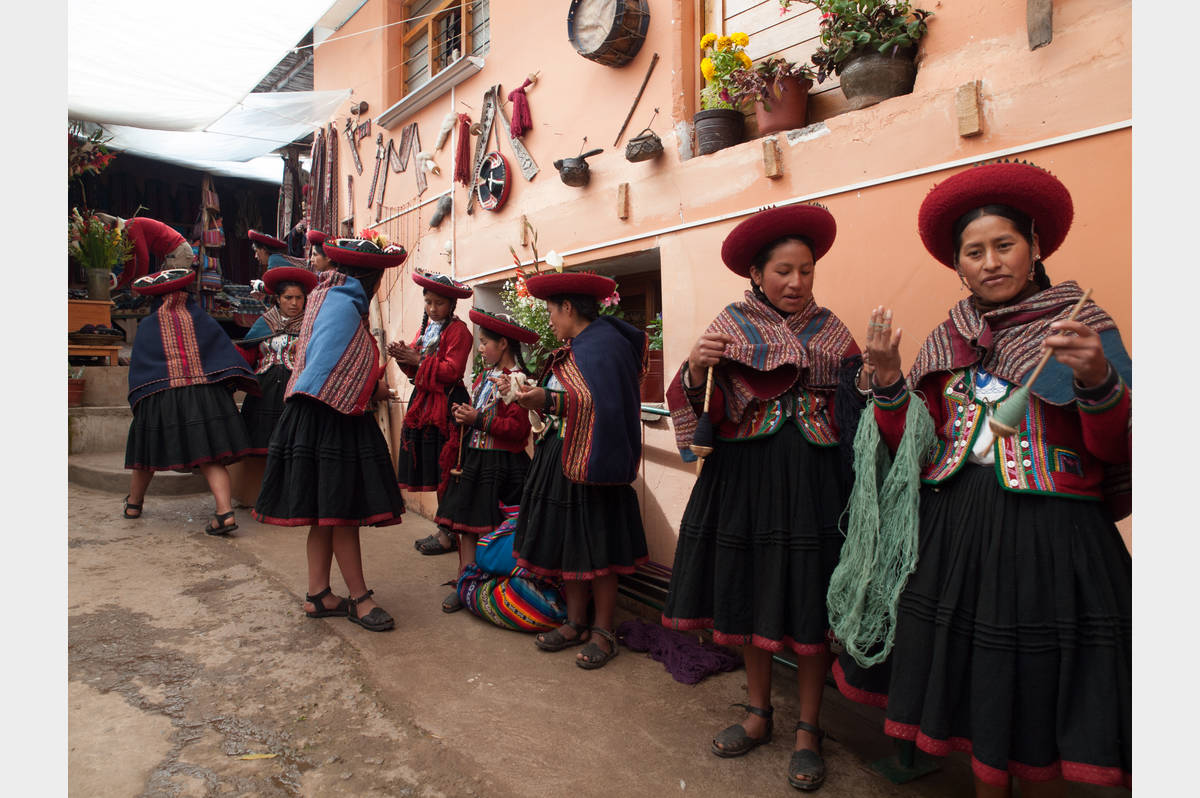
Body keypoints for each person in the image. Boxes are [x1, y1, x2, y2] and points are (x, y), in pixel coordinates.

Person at [833, 160, 1131, 795]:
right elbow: (912, 448)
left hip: (1052, 537)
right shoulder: (948, 340)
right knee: (969, 676)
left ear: (1035, 249)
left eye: (1005, 245)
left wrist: (1099, 380)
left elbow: (1119, 445)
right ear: (959, 265)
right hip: (955, 531)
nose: (992, 262)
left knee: (1040, 682)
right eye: (975, 252)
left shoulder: (1081, 330)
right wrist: (888, 383)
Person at [660, 204, 868, 792]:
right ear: (756, 273)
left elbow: (859, 409)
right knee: (749, 593)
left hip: (812, 482)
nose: (797, 283)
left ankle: (808, 728)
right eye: (783, 271)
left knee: (808, 598)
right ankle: (757, 713)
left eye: (806, 270)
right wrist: (695, 367)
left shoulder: (834, 333)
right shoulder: (728, 327)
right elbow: (695, 401)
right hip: (743, 479)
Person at [252, 238, 409, 633]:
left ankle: (319, 593)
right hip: (332, 416)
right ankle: (360, 599)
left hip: (310, 412)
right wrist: (363, 388)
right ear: (370, 278)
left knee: (323, 516)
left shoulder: (325, 296)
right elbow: (336, 365)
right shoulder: (343, 305)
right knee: (342, 515)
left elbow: (326, 360)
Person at [505, 270, 649, 671]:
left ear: (568, 307)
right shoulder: (581, 346)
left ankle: (603, 630)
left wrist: (547, 400)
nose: (550, 320)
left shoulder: (603, 347)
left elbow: (599, 402)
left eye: (552, 311)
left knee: (599, 548)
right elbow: (576, 396)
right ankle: (575, 622)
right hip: (564, 459)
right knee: (571, 544)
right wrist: (540, 399)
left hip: (594, 463)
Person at [122, 268, 260, 534]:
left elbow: (140, 369)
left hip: (161, 395)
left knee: (145, 455)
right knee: (210, 456)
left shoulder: (149, 325)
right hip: (205, 396)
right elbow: (224, 354)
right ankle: (224, 512)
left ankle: (133, 505)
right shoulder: (203, 320)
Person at [434, 308, 537, 613]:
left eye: (484, 343)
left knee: (495, 529)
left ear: (503, 344)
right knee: (466, 527)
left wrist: (477, 419)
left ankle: (494, 588)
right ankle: (465, 582)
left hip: (503, 466)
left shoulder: (520, 380)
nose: (480, 348)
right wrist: (465, 417)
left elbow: (519, 429)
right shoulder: (485, 376)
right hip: (475, 461)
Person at [387, 271, 473, 553]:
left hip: (449, 406)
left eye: (438, 303)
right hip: (426, 404)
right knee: (438, 470)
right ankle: (444, 529)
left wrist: (418, 359)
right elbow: (416, 370)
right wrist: (403, 356)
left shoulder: (459, 331)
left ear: (451, 305)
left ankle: (451, 533)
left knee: (449, 469)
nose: (432, 309)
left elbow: (452, 371)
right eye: (428, 302)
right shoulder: (427, 330)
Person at [236, 265, 318, 454]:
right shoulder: (264, 323)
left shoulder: (311, 324)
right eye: (288, 298)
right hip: (263, 390)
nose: (294, 303)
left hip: (297, 391)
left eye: (299, 298)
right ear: (278, 299)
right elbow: (246, 353)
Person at [96, 213, 194, 289]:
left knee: (166, 290)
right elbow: (129, 271)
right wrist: (108, 287)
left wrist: (139, 284)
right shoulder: (125, 235)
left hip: (179, 251)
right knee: (162, 290)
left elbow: (144, 259)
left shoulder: (130, 226)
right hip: (173, 253)